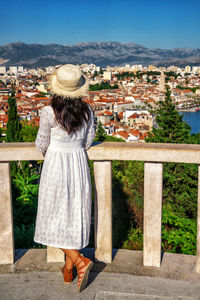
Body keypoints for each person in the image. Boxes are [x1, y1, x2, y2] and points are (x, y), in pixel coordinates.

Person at [34, 64, 95, 292]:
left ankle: (78, 262)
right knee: (72, 216)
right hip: (78, 163)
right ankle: (69, 271)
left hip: (56, 165)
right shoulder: (89, 112)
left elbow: (42, 143)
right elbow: (88, 143)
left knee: (52, 217)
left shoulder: (49, 112)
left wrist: (53, 153)